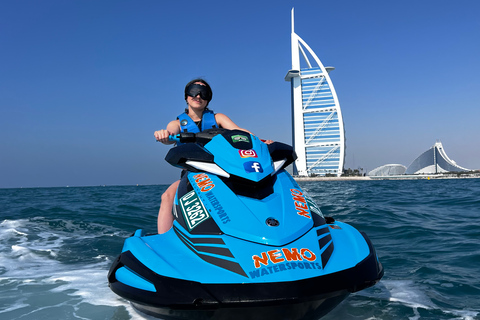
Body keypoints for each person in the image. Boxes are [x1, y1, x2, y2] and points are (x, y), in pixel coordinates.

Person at [154, 79, 270, 234]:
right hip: (193, 173)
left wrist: (261, 141)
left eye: (204, 93)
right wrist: (164, 136)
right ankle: (165, 241)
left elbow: (240, 132)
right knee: (168, 197)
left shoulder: (218, 118)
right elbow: (170, 135)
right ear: (186, 96)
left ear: (208, 98)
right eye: (193, 91)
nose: (198, 96)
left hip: (224, 171)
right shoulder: (177, 123)